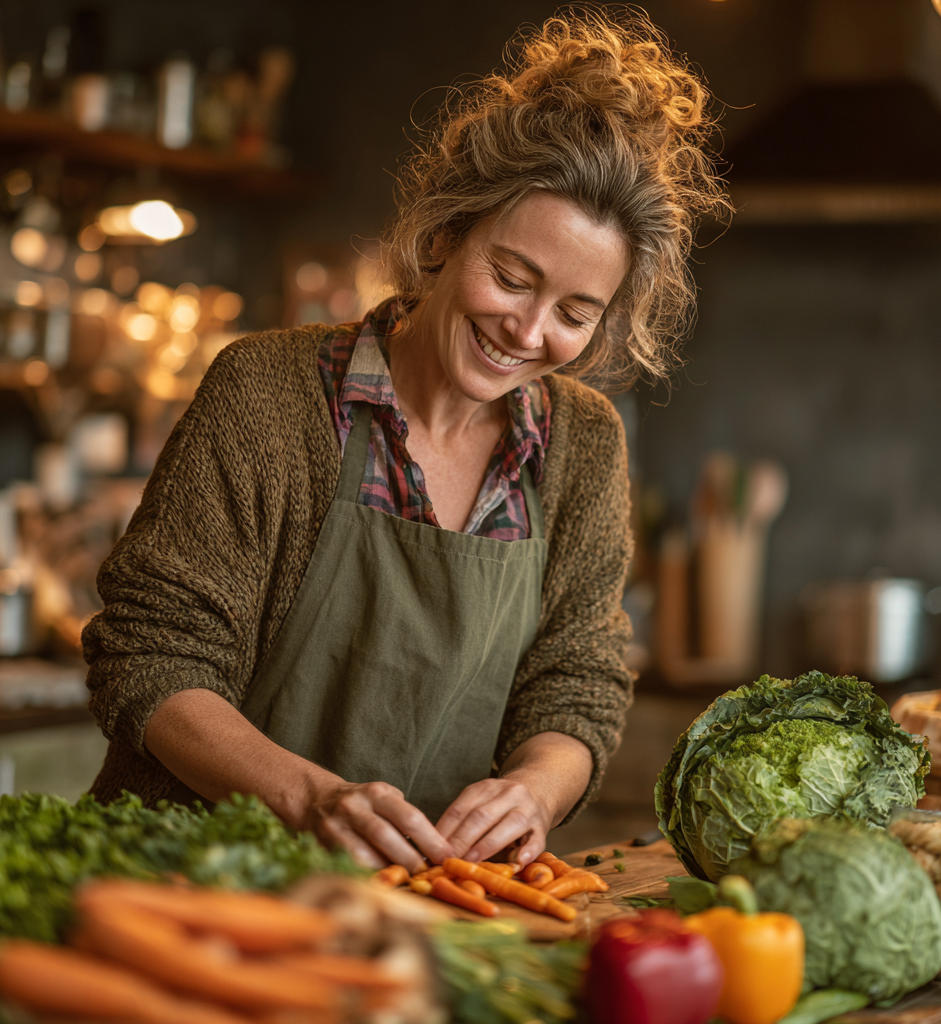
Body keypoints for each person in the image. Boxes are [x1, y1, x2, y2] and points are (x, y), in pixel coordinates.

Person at [83, 9, 725, 872]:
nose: (528, 332)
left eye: (575, 313)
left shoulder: (583, 445)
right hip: (194, 894)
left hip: (423, 917)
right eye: (511, 276)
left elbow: (578, 682)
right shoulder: (269, 396)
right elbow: (151, 655)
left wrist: (536, 789)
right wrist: (309, 798)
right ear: (444, 235)